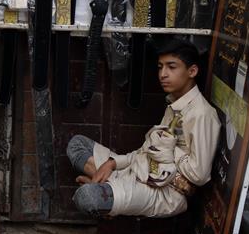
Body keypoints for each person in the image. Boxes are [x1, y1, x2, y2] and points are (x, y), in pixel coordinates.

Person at [66, 39, 220, 218]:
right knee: (76, 145)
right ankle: (108, 187)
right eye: (160, 67)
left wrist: (168, 149)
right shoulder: (174, 104)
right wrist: (113, 163)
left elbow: (200, 175)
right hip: (139, 169)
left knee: (87, 197)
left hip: (163, 191)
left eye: (171, 67)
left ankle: (106, 191)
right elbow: (146, 152)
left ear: (192, 71)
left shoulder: (202, 114)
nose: (163, 74)